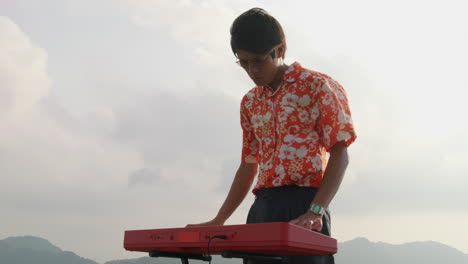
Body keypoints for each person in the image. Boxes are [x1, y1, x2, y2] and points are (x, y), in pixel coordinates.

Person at [186, 7, 357, 264]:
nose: (251, 70)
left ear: (278, 50)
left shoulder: (318, 87)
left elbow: (340, 153)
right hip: (262, 209)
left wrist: (316, 210)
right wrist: (219, 220)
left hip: (305, 207)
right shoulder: (250, 102)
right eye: (243, 62)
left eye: (258, 60)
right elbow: (248, 165)